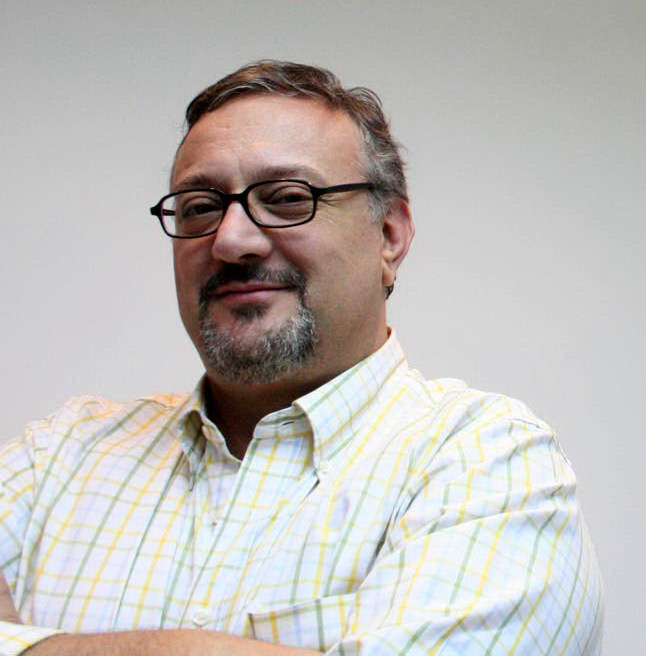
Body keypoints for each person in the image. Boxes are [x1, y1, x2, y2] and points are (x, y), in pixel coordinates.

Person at [0, 60, 602, 655]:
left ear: (389, 236)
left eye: (289, 198)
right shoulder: (59, 455)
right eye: (200, 207)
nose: (231, 240)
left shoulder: (489, 461)